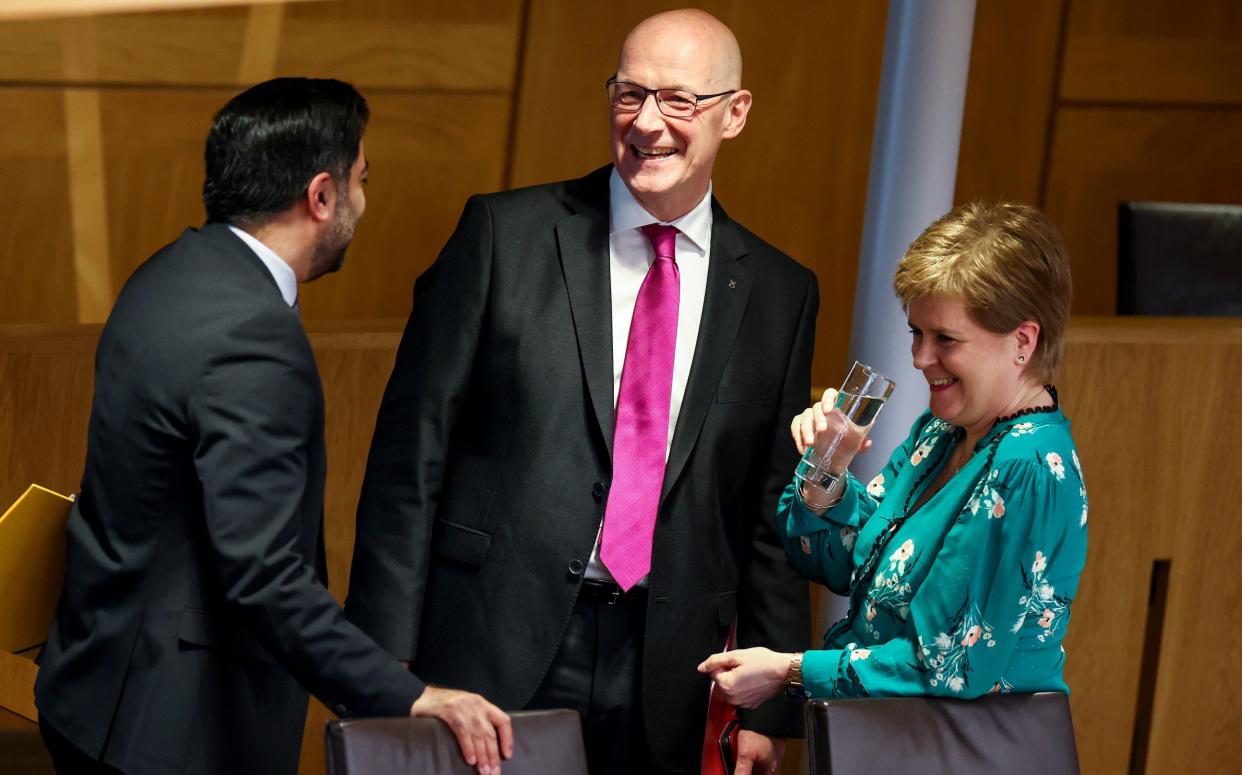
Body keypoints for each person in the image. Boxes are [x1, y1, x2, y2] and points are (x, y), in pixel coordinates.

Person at [345, 9, 814, 775]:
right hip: (491, 641)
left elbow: (769, 512)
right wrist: (379, 667)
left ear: (735, 113)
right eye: (629, 95)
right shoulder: (504, 235)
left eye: (678, 100)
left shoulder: (779, 292)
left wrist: (766, 709)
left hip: (667, 664)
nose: (647, 123)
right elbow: (410, 458)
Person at [34, 78, 511, 775]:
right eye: (361, 180)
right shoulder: (254, 334)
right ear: (321, 196)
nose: (363, 201)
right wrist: (406, 694)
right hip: (173, 727)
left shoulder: (169, 272)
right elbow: (262, 576)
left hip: (91, 688)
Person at [700, 202, 1088, 707]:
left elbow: (950, 665)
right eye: (917, 333)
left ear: (1023, 341)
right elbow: (842, 566)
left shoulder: (1029, 468)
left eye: (945, 338)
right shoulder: (941, 431)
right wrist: (828, 465)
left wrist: (791, 671)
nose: (920, 358)